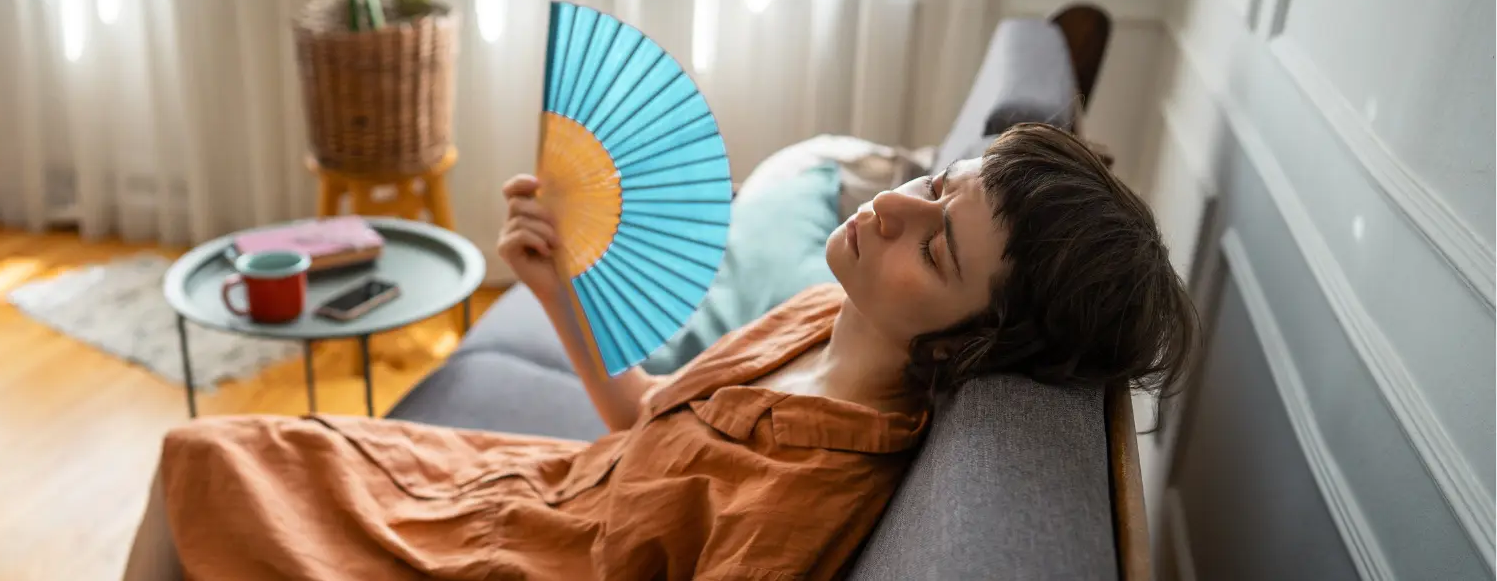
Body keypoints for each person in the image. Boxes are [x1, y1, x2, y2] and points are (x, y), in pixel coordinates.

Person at [122, 123, 1197, 581]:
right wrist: (555, 290)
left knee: (205, 467)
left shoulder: (814, 484)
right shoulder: (827, 317)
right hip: (538, 494)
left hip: (530, 559)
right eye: (935, 184)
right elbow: (650, 419)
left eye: (939, 246)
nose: (895, 212)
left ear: (972, 345)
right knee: (220, 454)